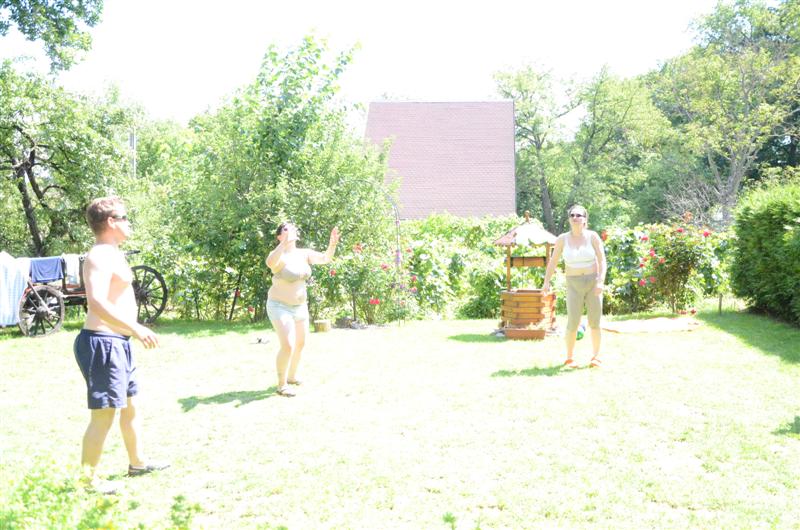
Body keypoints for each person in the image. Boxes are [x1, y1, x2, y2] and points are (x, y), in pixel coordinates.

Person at [74, 197, 168, 493]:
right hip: (103, 343)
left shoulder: (113, 253)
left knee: (130, 407)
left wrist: (129, 332)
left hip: (118, 342)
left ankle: (137, 463)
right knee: (104, 415)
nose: (129, 223)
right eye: (125, 218)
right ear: (111, 221)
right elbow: (97, 302)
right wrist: (136, 328)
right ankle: (88, 481)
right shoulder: (99, 255)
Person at [266, 222, 340, 396]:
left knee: (300, 344)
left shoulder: (304, 253)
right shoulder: (279, 254)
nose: (290, 230)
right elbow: (270, 263)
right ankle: (282, 385)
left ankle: (292, 377)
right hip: (279, 306)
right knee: (288, 345)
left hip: (300, 307)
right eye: (286, 229)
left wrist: (332, 245)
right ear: (279, 236)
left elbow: (325, 258)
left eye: (292, 228)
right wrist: (284, 244)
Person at [542, 205, 607, 368]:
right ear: (569, 219)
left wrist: (600, 281)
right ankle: (569, 358)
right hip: (573, 283)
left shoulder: (593, 236)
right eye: (572, 215)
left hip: (593, 283)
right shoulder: (562, 239)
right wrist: (546, 281)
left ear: (585, 219)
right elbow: (553, 262)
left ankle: (596, 357)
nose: (575, 218)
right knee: (573, 321)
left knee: (595, 321)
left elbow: (602, 260)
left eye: (579, 215)